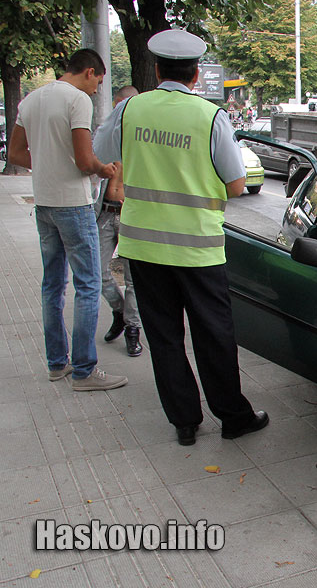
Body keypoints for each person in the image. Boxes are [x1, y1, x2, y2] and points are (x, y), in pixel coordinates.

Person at [93, 29, 269, 446]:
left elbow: (102, 151)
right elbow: (237, 184)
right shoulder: (210, 117)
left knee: (165, 336)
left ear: (156, 70)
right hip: (198, 250)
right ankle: (232, 417)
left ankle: (185, 423)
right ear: (195, 75)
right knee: (215, 335)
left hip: (145, 248)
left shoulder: (129, 109)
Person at [9, 49, 129, 391]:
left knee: (52, 285)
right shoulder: (77, 100)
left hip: (44, 204)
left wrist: (47, 164)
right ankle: (84, 371)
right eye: (99, 83)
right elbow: (83, 160)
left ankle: (57, 364)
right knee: (89, 284)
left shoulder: (31, 100)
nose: (96, 90)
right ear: (89, 72)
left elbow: (16, 153)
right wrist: (103, 169)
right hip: (74, 206)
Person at [94, 85, 142, 357]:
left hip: (130, 216)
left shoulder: (145, 139)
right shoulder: (107, 137)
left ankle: (133, 330)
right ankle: (120, 311)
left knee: (133, 280)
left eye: (121, 105)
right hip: (104, 214)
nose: (118, 110)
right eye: (116, 105)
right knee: (98, 274)